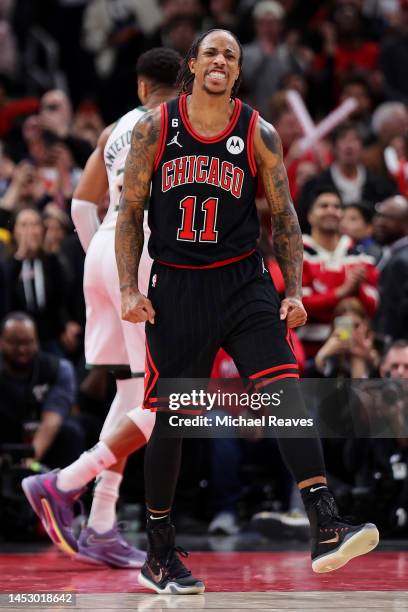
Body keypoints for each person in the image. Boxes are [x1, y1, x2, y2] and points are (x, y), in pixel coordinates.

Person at [115, 29, 379, 595]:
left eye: (230, 55)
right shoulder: (155, 126)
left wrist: (295, 290)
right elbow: (132, 207)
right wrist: (128, 288)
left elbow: (285, 217)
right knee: (173, 418)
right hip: (178, 288)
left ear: (237, 74)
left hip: (244, 282)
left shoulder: (257, 131)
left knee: (286, 391)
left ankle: (325, 522)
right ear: (192, 66)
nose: (220, 60)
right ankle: (158, 553)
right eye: (210, 51)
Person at [21, 48, 182, 568]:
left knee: (133, 393)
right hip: (143, 255)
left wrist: (104, 264)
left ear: (140, 87)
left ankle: (102, 524)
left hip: (105, 253)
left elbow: (78, 205)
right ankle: (61, 482)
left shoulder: (113, 128)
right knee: (167, 400)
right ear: (184, 85)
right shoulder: (179, 125)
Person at [299, 187, 379, 358]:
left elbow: (373, 307)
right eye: (324, 206)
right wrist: (342, 292)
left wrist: (357, 290)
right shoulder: (297, 256)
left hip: (353, 350)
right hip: (309, 352)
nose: (331, 211)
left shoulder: (360, 256)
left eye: (336, 207)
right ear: (310, 216)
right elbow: (301, 305)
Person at [0, 312, 84, 467]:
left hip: (41, 436)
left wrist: (28, 464)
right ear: (1, 342)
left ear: (37, 342)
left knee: (71, 430)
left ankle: (66, 486)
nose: (22, 349)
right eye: (14, 343)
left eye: (28, 342)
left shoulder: (58, 369)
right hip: (6, 433)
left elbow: (52, 421)